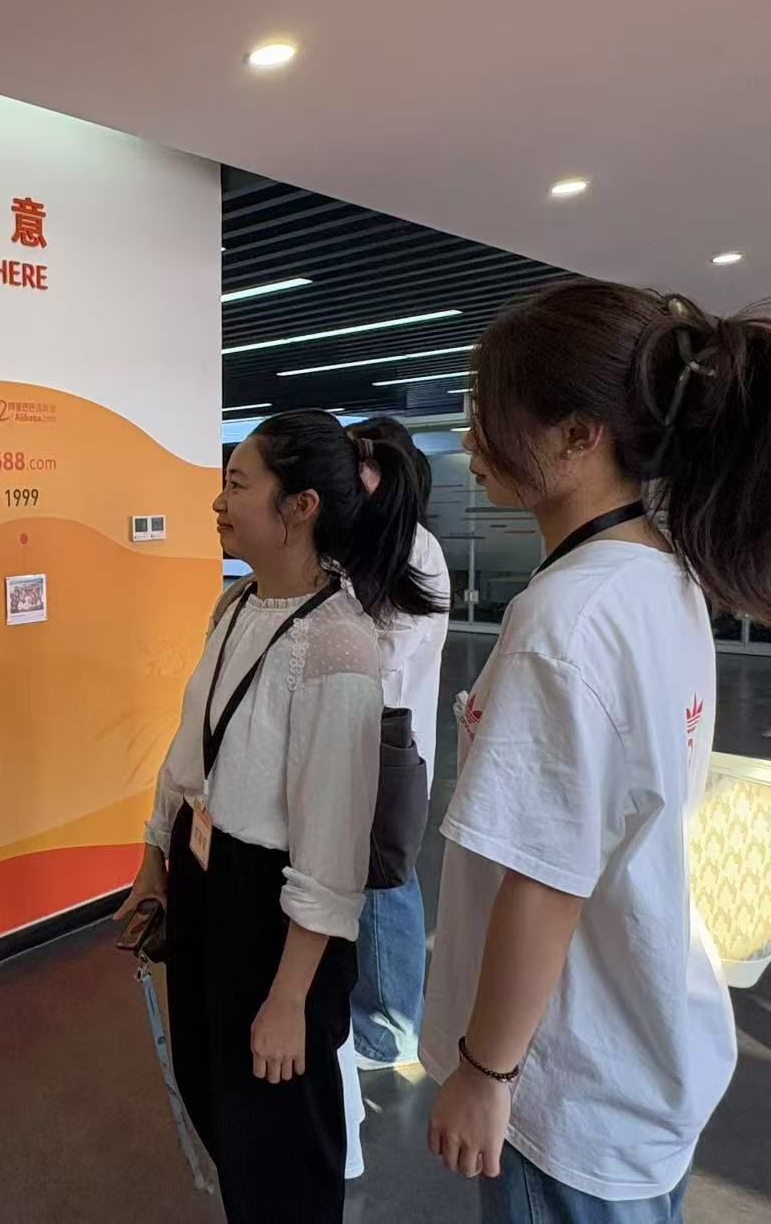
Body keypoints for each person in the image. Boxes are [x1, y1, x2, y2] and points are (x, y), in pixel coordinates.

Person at [424, 282, 771, 1221]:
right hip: (642, 1048)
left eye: (489, 414)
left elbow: (547, 879)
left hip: (567, 1086)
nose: (470, 439)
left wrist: (486, 1071)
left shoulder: (567, 617)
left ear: (581, 436)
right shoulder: (663, 576)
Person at [117, 409, 445, 1221]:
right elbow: (191, 748)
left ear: (300, 507)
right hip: (208, 885)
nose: (218, 502)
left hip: (276, 917)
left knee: (282, 1147)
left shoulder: (339, 645)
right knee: (221, 1103)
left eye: (237, 484)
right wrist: (155, 858)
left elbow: (330, 852)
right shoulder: (234, 605)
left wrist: (290, 997)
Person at [346, 416, 452, 1070]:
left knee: (387, 882)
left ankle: (388, 1029)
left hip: (391, 751)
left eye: (355, 464)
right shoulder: (366, 541)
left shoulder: (416, 549)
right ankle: (370, 1012)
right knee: (362, 880)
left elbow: (381, 656)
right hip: (359, 745)